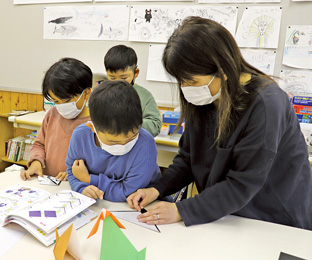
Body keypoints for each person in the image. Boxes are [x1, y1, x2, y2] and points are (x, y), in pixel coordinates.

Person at [127, 16, 312, 230]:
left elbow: (242, 183)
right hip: (229, 215)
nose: (186, 88)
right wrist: (158, 189)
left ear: (222, 70)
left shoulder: (266, 104)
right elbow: (188, 158)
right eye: (181, 81)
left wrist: (182, 210)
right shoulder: (206, 98)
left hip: (275, 220)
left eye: (191, 81)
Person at [66, 80, 161, 202]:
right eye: (113, 142)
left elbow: (129, 192)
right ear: (92, 127)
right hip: (99, 205)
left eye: (132, 137)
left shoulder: (145, 143)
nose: (123, 144)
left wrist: (89, 179)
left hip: (140, 207)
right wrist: (81, 188)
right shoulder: (80, 136)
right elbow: (72, 171)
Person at [20, 58, 92, 181]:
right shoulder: (52, 114)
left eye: (67, 101)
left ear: (86, 93)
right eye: (56, 101)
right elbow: (39, 144)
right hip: (49, 184)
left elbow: (100, 162)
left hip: (77, 189)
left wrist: (76, 175)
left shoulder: (96, 124)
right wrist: (36, 162)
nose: (61, 106)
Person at [104, 45, 162, 137]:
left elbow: (155, 126)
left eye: (124, 78)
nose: (118, 82)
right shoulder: (101, 94)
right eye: (112, 78)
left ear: (136, 72)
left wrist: (130, 123)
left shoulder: (145, 96)